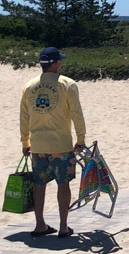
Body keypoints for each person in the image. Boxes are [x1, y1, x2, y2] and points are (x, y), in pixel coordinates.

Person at [20, 47, 86, 239]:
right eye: (60, 61)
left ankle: (40, 224)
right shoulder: (68, 84)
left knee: (39, 184)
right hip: (61, 146)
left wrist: (25, 141)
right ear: (56, 63)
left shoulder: (29, 86)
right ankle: (63, 226)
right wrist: (81, 138)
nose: (61, 64)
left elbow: (24, 117)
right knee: (63, 184)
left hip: (38, 146)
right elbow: (76, 114)